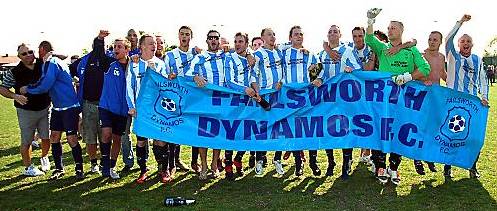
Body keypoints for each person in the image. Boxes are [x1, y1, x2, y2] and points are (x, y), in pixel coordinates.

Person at [365, 8, 431, 185]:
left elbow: (425, 69)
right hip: (383, 99)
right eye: (388, 28)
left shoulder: (411, 50)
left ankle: (393, 167)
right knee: (381, 128)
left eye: (393, 27)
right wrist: (370, 21)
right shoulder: (383, 48)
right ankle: (380, 165)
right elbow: (369, 39)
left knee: (400, 129)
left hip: (403, 99)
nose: (389, 30)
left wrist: (409, 77)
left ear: (401, 30)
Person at [20, 41, 85, 180]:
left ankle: (79, 168)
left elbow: (45, 84)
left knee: (72, 138)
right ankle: (59, 168)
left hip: (69, 107)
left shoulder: (52, 62)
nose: (37, 53)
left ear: (43, 49)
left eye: (38, 50)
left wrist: (28, 89)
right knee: (54, 137)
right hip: (57, 108)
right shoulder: (54, 61)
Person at [311, 25, 361, 179]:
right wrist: (318, 79)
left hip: (344, 98)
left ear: (340, 34)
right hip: (327, 99)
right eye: (330, 31)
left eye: (335, 31)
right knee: (328, 129)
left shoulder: (347, 50)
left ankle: (346, 163)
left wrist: (350, 70)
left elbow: (359, 69)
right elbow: (319, 74)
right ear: (327, 35)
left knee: (346, 129)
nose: (332, 34)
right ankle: (331, 162)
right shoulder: (321, 54)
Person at [444, 14, 488, 179]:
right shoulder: (453, 56)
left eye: (468, 41)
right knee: (451, 134)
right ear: (458, 44)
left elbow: (483, 80)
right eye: (462, 41)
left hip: (472, 104)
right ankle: (447, 168)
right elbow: (447, 38)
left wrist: (484, 96)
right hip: (453, 102)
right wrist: (460, 22)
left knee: (474, 136)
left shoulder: (477, 59)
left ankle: (472, 167)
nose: (465, 43)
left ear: (472, 44)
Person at [0, 44, 51, 176]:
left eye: (30, 52)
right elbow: (2, 88)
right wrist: (14, 96)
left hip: (45, 108)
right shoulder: (14, 72)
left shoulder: (43, 64)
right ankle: (28, 167)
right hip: (26, 111)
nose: (28, 55)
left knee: (46, 137)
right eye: (24, 54)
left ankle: (44, 157)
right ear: (19, 57)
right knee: (27, 141)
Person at [126, 34, 169, 183]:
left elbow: (165, 86)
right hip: (141, 110)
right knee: (141, 141)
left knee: (160, 140)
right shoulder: (134, 63)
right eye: (150, 43)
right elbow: (129, 87)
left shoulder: (160, 64)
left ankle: (163, 169)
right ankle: (143, 170)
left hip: (157, 109)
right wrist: (131, 106)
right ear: (142, 46)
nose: (154, 45)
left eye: (155, 44)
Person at [185, 29, 227, 180]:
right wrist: (196, 76)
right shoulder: (200, 57)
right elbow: (188, 73)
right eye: (211, 38)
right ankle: (203, 165)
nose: (214, 40)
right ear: (207, 40)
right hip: (204, 101)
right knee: (203, 133)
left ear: (219, 40)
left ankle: (215, 165)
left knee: (218, 133)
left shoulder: (226, 56)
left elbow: (244, 53)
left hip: (222, 101)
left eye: (216, 38)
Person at [92, 30, 131, 179]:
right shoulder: (109, 63)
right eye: (115, 46)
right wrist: (100, 39)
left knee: (117, 138)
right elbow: (99, 54)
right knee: (106, 134)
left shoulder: (133, 65)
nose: (116, 49)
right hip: (106, 106)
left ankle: (112, 165)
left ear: (127, 49)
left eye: (120, 46)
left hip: (123, 110)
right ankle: (105, 163)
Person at [223, 32, 259, 180]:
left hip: (248, 102)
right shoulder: (229, 57)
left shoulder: (251, 59)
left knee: (248, 133)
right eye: (235, 41)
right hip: (232, 101)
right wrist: (245, 89)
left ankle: (238, 159)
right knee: (231, 133)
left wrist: (255, 90)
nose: (237, 44)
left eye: (240, 41)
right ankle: (228, 166)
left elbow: (253, 76)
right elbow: (229, 81)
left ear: (246, 44)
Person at [164, 26, 198, 173]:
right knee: (175, 130)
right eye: (182, 34)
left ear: (191, 37)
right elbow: (164, 77)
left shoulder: (197, 54)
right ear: (178, 36)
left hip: (195, 98)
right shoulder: (170, 55)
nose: (184, 37)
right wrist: (169, 77)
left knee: (196, 130)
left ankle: (195, 162)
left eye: (187, 34)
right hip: (176, 99)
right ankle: (173, 163)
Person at [252, 28, 286, 176]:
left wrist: (282, 82)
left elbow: (286, 70)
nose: (272, 37)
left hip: (279, 95)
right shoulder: (257, 54)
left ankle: (277, 160)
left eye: (274, 34)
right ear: (263, 38)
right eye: (269, 35)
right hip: (265, 95)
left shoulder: (280, 52)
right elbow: (254, 74)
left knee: (280, 127)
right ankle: (259, 160)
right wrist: (257, 92)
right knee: (263, 128)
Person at [413, 31, 447, 175]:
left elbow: (443, 74)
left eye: (435, 40)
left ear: (440, 42)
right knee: (420, 129)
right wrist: (422, 81)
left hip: (436, 98)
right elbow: (413, 75)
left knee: (433, 129)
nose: (432, 42)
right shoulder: (421, 56)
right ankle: (417, 159)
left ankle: (428, 158)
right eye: (430, 39)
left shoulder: (441, 57)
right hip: (422, 98)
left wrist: (456, 84)